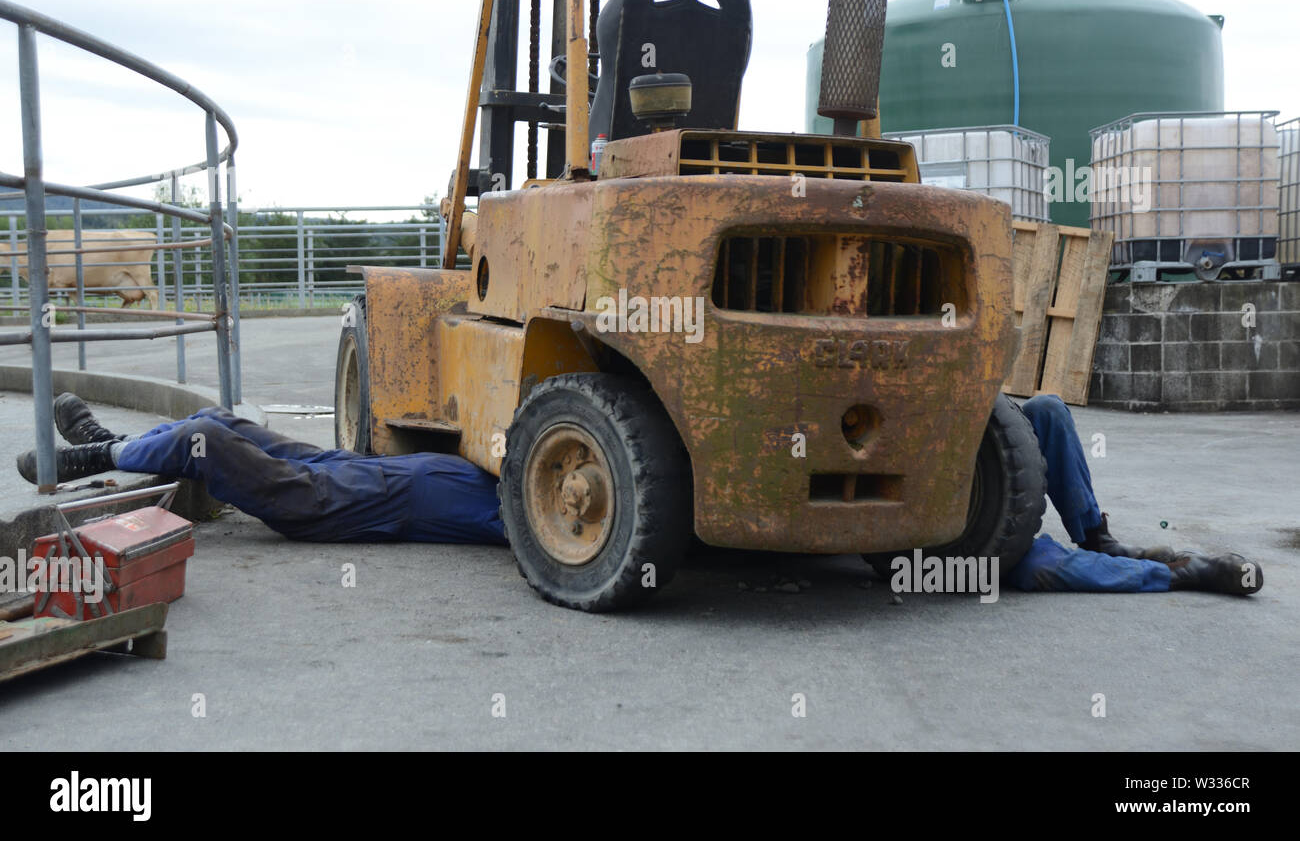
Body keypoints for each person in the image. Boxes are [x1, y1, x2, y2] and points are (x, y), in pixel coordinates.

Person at [18, 394, 1263, 596]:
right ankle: (1164, 570)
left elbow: (238, 469)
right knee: (1013, 563)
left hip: (389, 487)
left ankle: (99, 456)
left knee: (220, 442)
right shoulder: (330, 507)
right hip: (422, 490)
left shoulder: (322, 494)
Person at [17, 394, 505, 545]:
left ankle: (98, 456)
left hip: (333, 499)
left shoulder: (526, 518)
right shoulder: (533, 462)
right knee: (221, 421)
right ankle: (114, 445)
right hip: (363, 469)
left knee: (202, 440)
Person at [1010, 395, 1262, 596]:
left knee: (1047, 410)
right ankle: (1181, 573)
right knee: (1036, 563)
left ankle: (1094, 537)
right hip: (978, 542)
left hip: (989, 478)